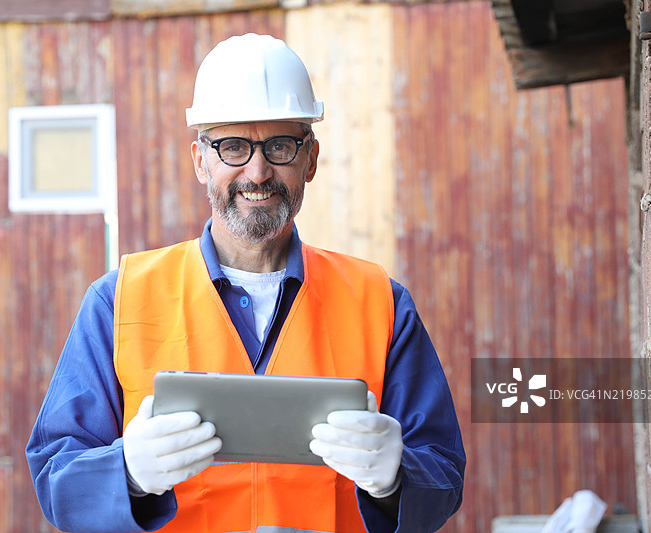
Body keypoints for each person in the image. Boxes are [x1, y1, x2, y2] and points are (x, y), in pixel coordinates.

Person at [26, 33, 465, 533]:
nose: (257, 171)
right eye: (233, 146)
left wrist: (397, 478)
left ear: (311, 160)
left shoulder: (379, 302)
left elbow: (444, 475)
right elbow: (54, 476)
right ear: (200, 160)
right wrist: (124, 473)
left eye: (280, 146)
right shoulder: (119, 301)